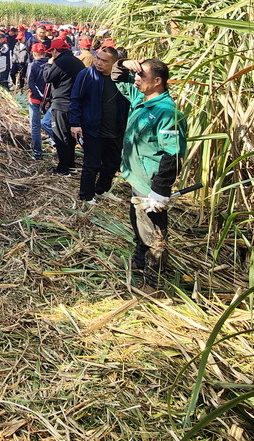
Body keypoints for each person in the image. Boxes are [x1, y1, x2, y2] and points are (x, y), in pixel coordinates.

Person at [120, 57, 188, 288]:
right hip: (136, 175)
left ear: (158, 81)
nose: (136, 79)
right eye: (137, 75)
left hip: (150, 182)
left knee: (154, 235)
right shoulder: (142, 97)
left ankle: (154, 283)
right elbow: (118, 78)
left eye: (142, 76)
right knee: (138, 225)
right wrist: (124, 63)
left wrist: (160, 191)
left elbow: (173, 154)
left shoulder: (166, 112)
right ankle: (139, 261)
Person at [68, 46, 127, 204]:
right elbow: (75, 100)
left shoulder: (121, 79)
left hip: (116, 129)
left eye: (104, 61)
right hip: (93, 128)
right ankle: (86, 195)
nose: (98, 62)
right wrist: (75, 123)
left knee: (112, 163)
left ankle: (102, 190)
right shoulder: (87, 75)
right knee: (92, 163)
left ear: (114, 63)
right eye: (98, 58)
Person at [40, 36, 85, 174]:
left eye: (51, 52)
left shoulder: (61, 62)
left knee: (61, 137)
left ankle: (63, 168)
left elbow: (47, 77)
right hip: (74, 103)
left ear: (55, 51)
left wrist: (48, 64)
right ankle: (69, 163)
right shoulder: (77, 62)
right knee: (70, 138)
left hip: (62, 104)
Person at [26, 43, 51, 159]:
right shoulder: (50, 65)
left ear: (34, 53)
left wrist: (40, 96)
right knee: (50, 123)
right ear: (45, 53)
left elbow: (31, 83)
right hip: (49, 101)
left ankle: (37, 152)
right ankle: (56, 143)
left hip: (35, 99)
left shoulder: (33, 65)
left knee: (35, 126)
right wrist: (47, 98)